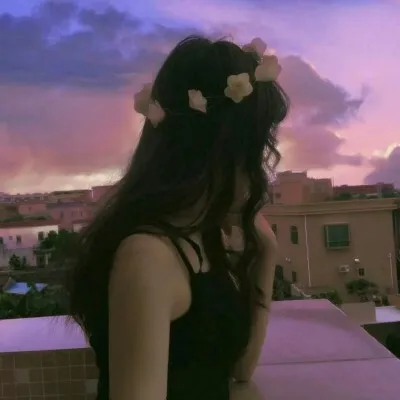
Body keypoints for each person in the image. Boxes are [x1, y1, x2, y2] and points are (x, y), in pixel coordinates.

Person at [68, 35, 288, 400]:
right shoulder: (148, 257)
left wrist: (266, 256)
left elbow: (239, 368)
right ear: (222, 147)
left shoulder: (200, 237)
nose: (262, 166)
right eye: (258, 144)